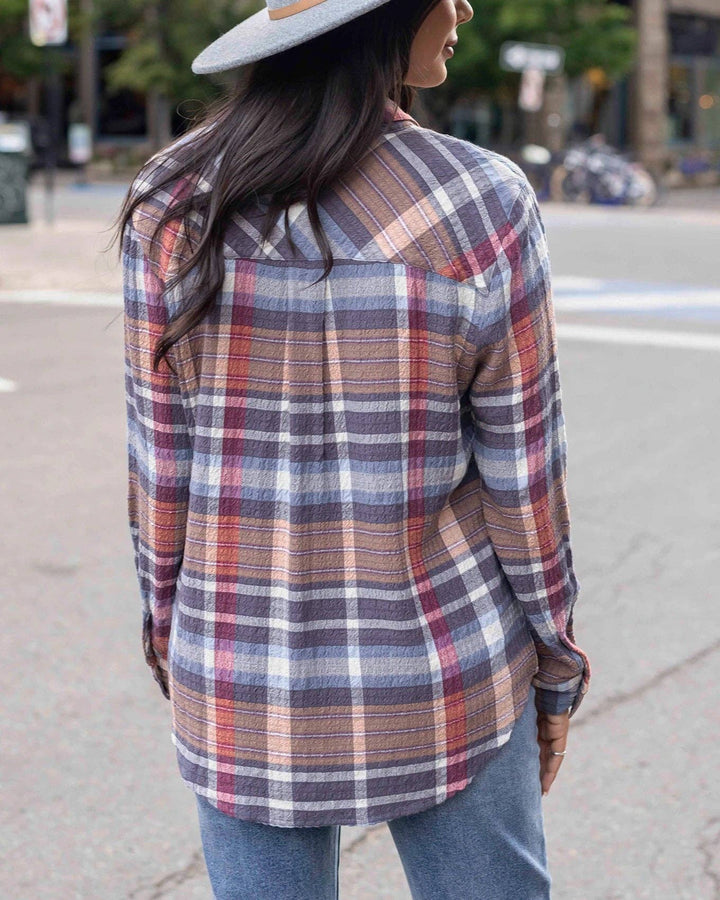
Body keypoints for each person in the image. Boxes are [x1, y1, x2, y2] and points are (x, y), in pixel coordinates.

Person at [115, 1, 592, 897]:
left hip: (239, 670)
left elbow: (159, 469)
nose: (464, 10)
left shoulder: (173, 201)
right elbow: (526, 480)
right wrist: (557, 663)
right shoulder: (479, 201)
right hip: (448, 667)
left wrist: (175, 643)